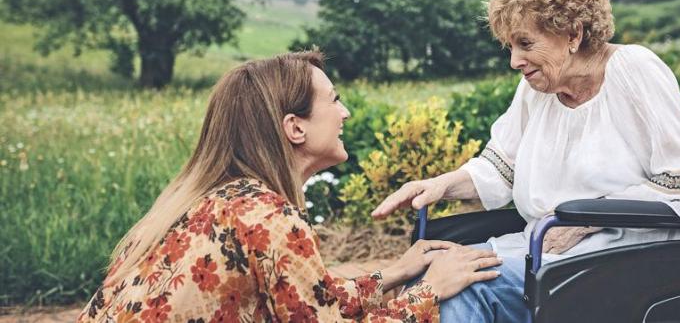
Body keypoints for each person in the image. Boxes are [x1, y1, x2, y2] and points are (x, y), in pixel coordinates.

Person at [372, 0, 680, 321]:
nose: (515, 61)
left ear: (572, 34)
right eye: (509, 46)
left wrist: (584, 222)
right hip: (549, 248)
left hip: (623, 255)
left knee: (466, 288)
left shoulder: (633, 69)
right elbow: (500, 169)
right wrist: (438, 185)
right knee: (428, 275)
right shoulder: (537, 88)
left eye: (525, 43)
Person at [78, 52, 502, 322]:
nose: (347, 113)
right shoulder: (269, 218)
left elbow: (311, 304)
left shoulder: (217, 199)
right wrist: (430, 291)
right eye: (335, 100)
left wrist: (394, 273)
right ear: (295, 127)